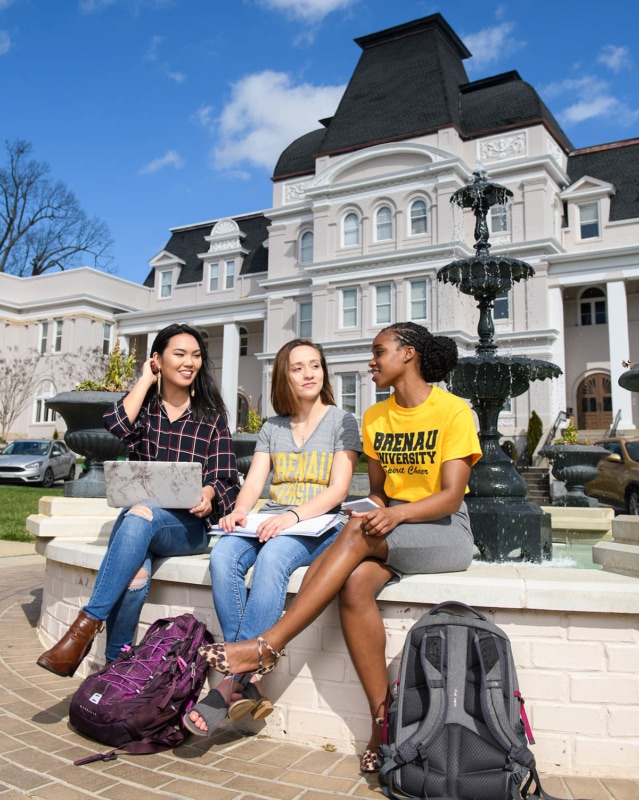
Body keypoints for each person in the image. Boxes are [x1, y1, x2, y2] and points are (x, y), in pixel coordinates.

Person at [195, 322, 482, 772]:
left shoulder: (453, 411)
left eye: (379, 351)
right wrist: (376, 509)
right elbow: (382, 492)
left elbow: (450, 496)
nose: (371, 360)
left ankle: (265, 647)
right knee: (352, 588)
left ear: (408, 355)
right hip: (394, 530)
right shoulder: (375, 417)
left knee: (350, 533)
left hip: (443, 529)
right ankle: (381, 722)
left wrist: (392, 515)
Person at [37, 323, 240, 678]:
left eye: (195, 355)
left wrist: (208, 495)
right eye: (179, 354)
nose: (189, 362)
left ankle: (84, 628)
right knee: (136, 572)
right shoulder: (145, 411)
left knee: (140, 515)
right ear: (159, 359)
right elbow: (114, 426)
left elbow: (226, 480)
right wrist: (145, 379)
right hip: (141, 522)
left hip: (188, 528)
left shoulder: (211, 419)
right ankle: (116, 663)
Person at [184, 338, 361, 737]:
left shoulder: (342, 421)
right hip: (272, 518)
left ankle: (229, 683)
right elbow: (254, 484)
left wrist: (293, 517)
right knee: (223, 557)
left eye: (315, 365)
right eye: (298, 367)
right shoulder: (271, 428)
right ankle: (247, 674)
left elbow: (338, 491)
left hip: (318, 522)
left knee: (272, 559)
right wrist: (240, 512)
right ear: (284, 375)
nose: (309, 373)